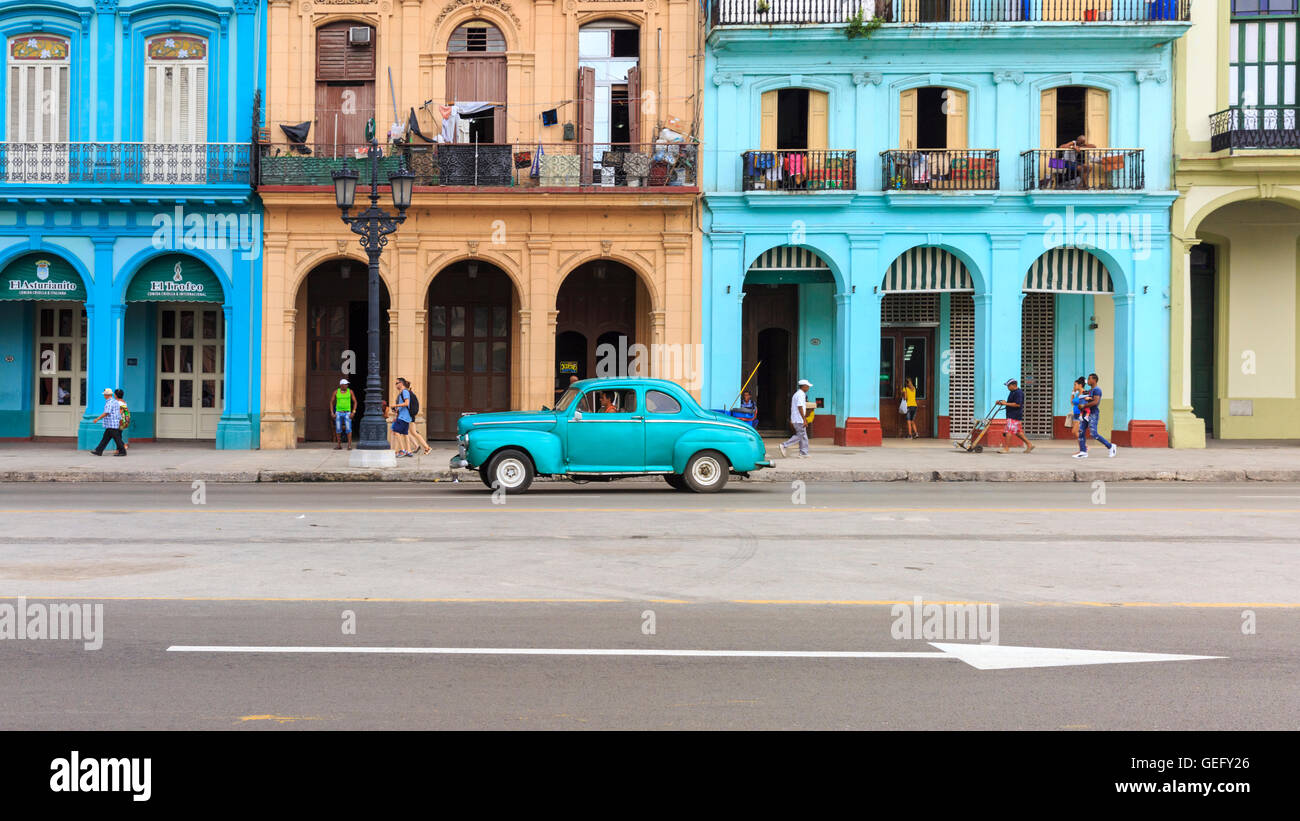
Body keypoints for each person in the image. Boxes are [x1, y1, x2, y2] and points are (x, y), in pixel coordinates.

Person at [1074, 372, 1118, 459]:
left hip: (1093, 414)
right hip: (1085, 414)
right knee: (1081, 432)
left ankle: (1110, 446)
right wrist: (1081, 405)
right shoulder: (1090, 391)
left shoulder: (1097, 390)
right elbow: (1085, 400)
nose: (1088, 380)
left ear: (1094, 380)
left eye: (1090, 379)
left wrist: (1084, 406)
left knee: (1093, 433)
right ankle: (1083, 451)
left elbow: (1095, 402)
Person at [996, 378, 1034, 454]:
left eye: (1008, 386)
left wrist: (1005, 404)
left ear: (1014, 385)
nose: (1007, 387)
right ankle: (1029, 444)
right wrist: (1001, 403)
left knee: (1008, 431)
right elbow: (1011, 403)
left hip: (1014, 415)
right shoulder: (1012, 392)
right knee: (1018, 432)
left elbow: (1017, 404)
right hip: (1012, 414)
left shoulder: (1018, 393)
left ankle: (1006, 448)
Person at [778, 378, 813, 458]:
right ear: (803, 386)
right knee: (800, 435)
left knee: (803, 436)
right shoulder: (800, 395)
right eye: (807, 386)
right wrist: (804, 419)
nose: (808, 388)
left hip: (797, 418)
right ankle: (784, 445)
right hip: (799, 419)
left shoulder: (798, 394)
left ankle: (803, 452)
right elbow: (800, 407)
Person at [397, 377, 432, 455]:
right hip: (410, 415)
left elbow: (407, 405)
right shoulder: (410, 393)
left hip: (408, 415)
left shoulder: (406, 393)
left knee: (409, 432)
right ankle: (424, 447)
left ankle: (424, 447)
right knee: (412, 432)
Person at [90, 388, 126, 457]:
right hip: (113, 423)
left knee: (117, 438)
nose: (104, 396)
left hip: (111, 423)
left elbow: (106, 412)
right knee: (106, 438)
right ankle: (98, 450)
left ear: (107, 395)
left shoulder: (109, 402)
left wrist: (98, 418)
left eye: (104, 395)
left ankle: (122, 451)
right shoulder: (115, 401)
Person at [330, 379, 357, 450]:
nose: (347, 385)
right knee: (338, 429)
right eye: (345, 384)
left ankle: (349, 445)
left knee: (348, 429)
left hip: (347, 413)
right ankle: (339, 445)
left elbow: (355, 402)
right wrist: (332, 412)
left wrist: (353, 412)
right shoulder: (336, 392)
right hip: (338, 413)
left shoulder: (350, 391)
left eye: (347, 384)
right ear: (341, 385)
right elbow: (331, 402)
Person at [390, 378, 413, 457]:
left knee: (395, 431)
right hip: (405, 416)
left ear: (401, 383)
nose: (395, 385)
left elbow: (406, 403)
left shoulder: (404, 392)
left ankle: (403, 450)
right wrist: (397, 409)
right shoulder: (403, 392)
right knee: (405, 433)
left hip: (403, 416)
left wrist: (395, 405)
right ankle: (409, 451)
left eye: (397, 383)